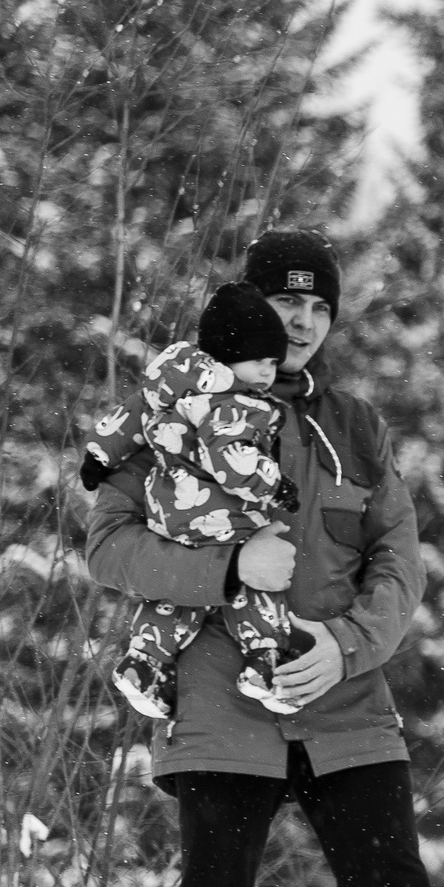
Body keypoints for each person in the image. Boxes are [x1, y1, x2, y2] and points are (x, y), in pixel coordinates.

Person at [84, 228, 433, 887]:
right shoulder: (177, 416)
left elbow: (398, 562)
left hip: (345, 705)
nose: (303, 323)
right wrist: (227, 569)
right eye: (285, 301)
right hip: (219, 703)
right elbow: (107, 546)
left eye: (319, 307)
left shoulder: (355, 429)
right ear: (252, 304)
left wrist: (346, 647)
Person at [82, 281, 310, 719]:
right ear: (228, 355)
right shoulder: (236, 405)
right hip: (222, 516)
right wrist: (273, 484)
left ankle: (144, 661)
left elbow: (129, 417)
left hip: (169, 512)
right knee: (256, 581)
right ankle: (265, 660)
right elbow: (232, 461)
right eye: (260, 361)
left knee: (178, 596)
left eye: (273, 363)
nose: (268, 373)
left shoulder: (167, 386)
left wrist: (98, 454)